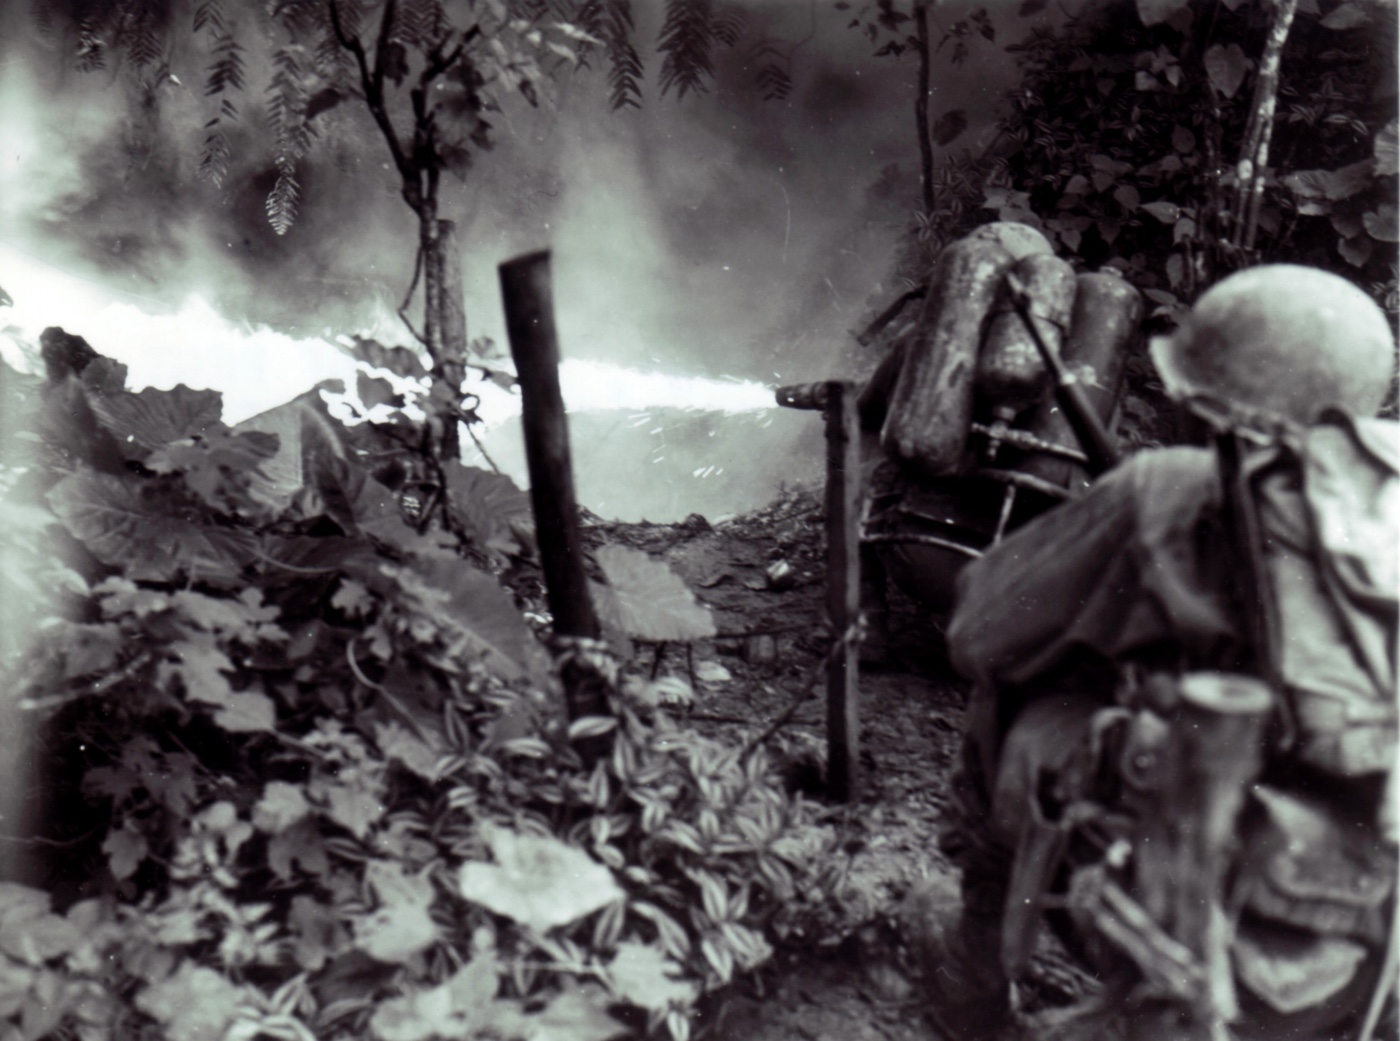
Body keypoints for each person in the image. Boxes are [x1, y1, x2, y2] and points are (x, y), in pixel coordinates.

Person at [921, 264, 1399, 1040]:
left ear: (1204, 403)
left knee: (1011, 697)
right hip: (1368, 929)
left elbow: (979, 629)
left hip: (1216, 931)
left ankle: (976, 962)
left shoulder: (1168, 491)